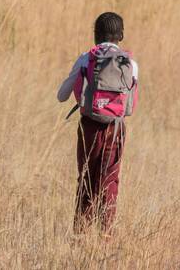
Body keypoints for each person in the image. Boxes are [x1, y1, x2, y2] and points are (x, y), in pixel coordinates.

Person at [57, 12, 138, 235]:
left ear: (95, 34)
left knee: (86, 179)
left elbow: (61, 96)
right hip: (117, 128)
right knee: (110, 180)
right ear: (121, 35)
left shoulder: (86, 58)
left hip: (89, 126)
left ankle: (80, 236)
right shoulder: (129, 63)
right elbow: (131, 106)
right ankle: (106, 237)